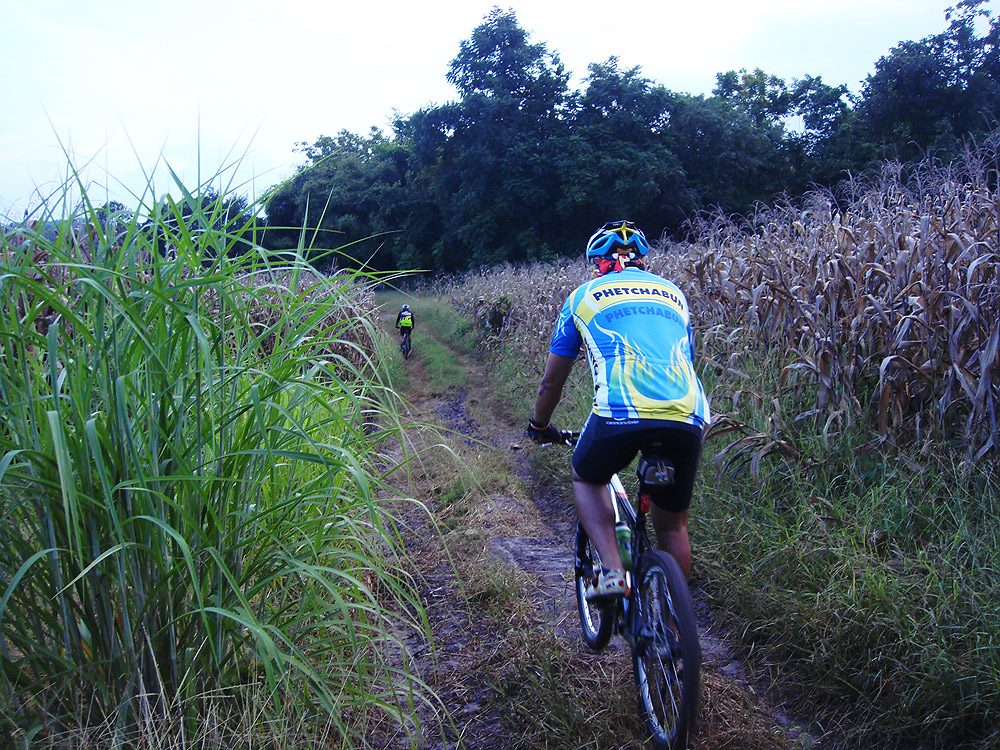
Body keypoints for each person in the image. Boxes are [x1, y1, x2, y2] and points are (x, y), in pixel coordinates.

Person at [526, 220, 710, 600]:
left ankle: (612, 570)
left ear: (598, 262)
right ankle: (675, 622)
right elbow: (687, 359)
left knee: (586, 476)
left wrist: (539, 425)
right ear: (641, 259)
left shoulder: (582, 297)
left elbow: (552, 381)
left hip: (621, 410)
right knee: (672, 526)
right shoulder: (674, 294)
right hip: (688, 413)